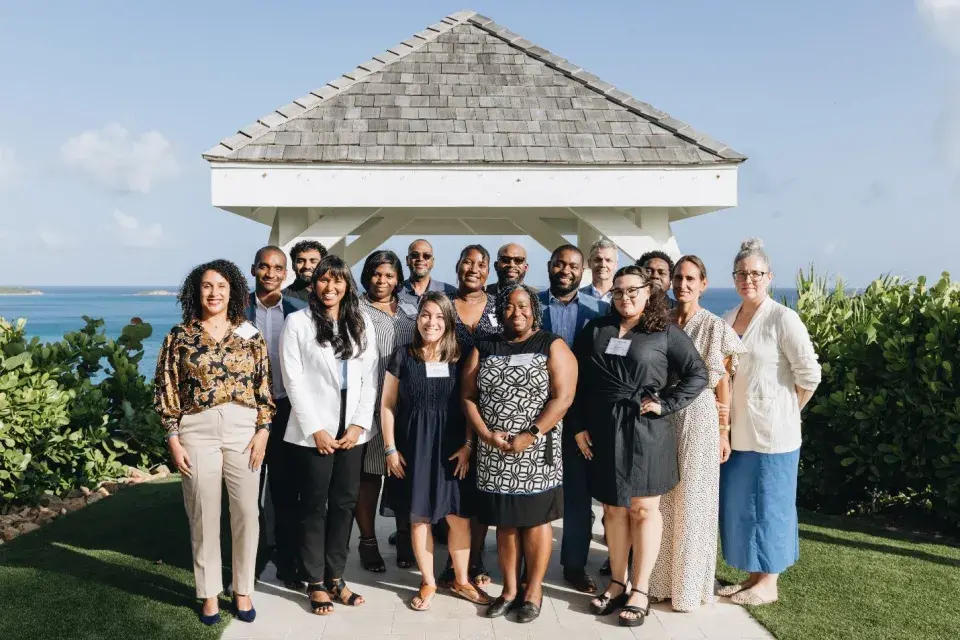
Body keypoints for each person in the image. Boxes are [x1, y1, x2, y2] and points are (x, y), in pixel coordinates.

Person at [572, 265, 707, 628]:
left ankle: (641, 589)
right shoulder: (596, 329)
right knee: (613, 510)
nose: (625, 298)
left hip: (647, 429)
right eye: (618, 292)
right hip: (601, 427)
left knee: (645, 509)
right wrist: (578, 425)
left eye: (632, 291)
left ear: (648, 293)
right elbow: (578, 381)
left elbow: (698, 372)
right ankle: (617, 582)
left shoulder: (665, 331)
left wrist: (667, 403)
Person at [155, 259, 274, 625]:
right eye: (207, 286)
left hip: (244, 430)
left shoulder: (250, 334)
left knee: (246, 514)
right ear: (196, 291)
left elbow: (264, 388)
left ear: (234, 291)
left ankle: (242, 591)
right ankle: (208, 593)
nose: (214, 293)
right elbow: (166, 389)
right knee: (203, 515)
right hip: (196, 431)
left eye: (221, 286)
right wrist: (174, 439)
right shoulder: (179, 336)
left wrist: (263, 431)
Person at [462, 284, 577, 623]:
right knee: (506, 523)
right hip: (494, 452)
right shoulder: (486, 346)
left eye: (523, 306)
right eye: (510, 307)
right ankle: (509, 590)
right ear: (500, 310)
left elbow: (564, 397)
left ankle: (533, 591)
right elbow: (468, 395)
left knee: (536, 521)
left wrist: (531, 433)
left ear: (534, 309)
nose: (517, 312)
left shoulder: (551, 344)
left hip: (537, 452)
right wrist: (484, 435)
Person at [718, 238, 821, 606]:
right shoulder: (728, 318)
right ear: (734, 278)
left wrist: (786, 408)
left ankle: (770, 582)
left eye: (756, 273)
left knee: (771, 506)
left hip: (773, 436)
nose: (750, 279)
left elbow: (809, 374)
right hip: (736, 434)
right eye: (743, 273)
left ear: (769, 277)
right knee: (744, 507)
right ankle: (752, 576)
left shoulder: (783, 318)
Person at [380, 292, 494, 611]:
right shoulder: (403, 355)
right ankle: (428, 581)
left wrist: (469, 445)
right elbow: (388, 405)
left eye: (440, 317)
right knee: (420, 519)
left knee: (458, 518)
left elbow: (471, 402)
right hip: (413, 447)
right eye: (426, 315)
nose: (432, 322)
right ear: (417, 319)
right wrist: (390, 448)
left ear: (449, 322)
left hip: (452, 448)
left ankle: (461, 580)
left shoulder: (463, 354)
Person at [280, 255, 378, 615]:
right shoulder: (298, 323)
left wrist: (358, 425)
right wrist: (315, 429)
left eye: (338, 280)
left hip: (352, 425)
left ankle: (336, 577)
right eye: (324, 280)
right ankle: (315, 582)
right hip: (315, 426)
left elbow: (369, 378)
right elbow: (293, 381)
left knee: (344, 504)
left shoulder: (361, 321)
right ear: (313, 284)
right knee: (314, 505)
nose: (330, 287)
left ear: (347, 285)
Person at [648, 255, 745, 611]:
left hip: (699, 417)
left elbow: (724, 385)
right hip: (661, 417)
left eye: (690, 278)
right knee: (663, 500)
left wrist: (724, 431)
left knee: (694, 503)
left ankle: (688, 588)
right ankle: (657, 582)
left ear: (703, 283)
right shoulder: (662, 321)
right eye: (678, 277)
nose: (682, 284)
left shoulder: (714, 325)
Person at [538, 244, 608, 594]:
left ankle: (574, 565)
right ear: (549, 266)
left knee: (578, 497)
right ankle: (527, 563)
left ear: (583, 271)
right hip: (535, 416)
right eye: (560, 264)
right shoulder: (530, 305)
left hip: (582, 420)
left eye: (573, 266)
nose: (566, 270)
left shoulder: (601, 310)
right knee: (532, 493)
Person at [439, 244, 500, 587]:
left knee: (482, 489)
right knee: (454, 487)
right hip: (449, 405)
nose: (474, 268)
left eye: (481, 264)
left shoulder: (498, 306)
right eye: (468, 262)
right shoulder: (442, 306)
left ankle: (475, 559)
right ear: (458, 266)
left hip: (489, 409)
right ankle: (453, 559)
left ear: (488, 272)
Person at [246, 246, 306, 590]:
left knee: (285, 494)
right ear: (254, 269)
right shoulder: (238, 312)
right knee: (246, 495)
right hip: (246, 413)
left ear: (287, 274)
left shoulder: (299, 311)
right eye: (265, 267)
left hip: (285, 410)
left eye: (278, 268)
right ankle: (247, 563)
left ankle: (287, 563)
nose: (271, 273)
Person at [354, 250, 416, 573]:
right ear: (367, 275)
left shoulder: (411, 308)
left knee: (404, 475)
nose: (383, 280)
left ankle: (405, 536)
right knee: (368, 475)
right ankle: (367, 542)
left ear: (398, 279)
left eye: (389, 275)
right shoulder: (355, 309)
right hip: (368, 404)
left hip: (406, 407)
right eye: (377, 274)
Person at [399, 239, 457, 306]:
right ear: (407, 260)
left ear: (432, 262)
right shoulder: (396, 292)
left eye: (426, 256)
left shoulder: (449, 293)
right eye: (415, 255)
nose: (420, 259)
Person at [283, 240, 328, 304]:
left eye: (313, 261)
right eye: (301, 261)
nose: (307, 266)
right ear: (293, 265)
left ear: (323, 265)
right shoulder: (282, 298)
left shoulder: (331, 295)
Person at [581, 238, 618, 303]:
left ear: (616, 265)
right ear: (589, 263)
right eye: (598, 259)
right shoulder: (577, 297)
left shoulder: (623, 297)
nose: (603, 264)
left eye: (608, 260)